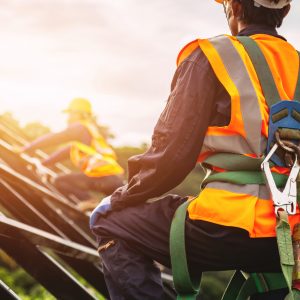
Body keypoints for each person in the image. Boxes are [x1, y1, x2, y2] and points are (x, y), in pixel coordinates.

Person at [90, 1, 300, 299]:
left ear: (235, 8)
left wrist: (124, 196)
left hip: (229, 224)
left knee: (108, 221)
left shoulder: (213, 56)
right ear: (286, 11)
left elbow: (170, 157)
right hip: (293, 238)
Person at [21, 98, 124, 208]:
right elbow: (66, 152)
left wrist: (26, 149)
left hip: (101, 177)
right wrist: (44, 163)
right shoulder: (90, 132)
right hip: (114, 179)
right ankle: (89, 205)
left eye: (70, 113)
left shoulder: (80, 127)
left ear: (79, 114)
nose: (68, 117)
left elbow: (55, 138)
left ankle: (89, 201)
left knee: (60, 181)